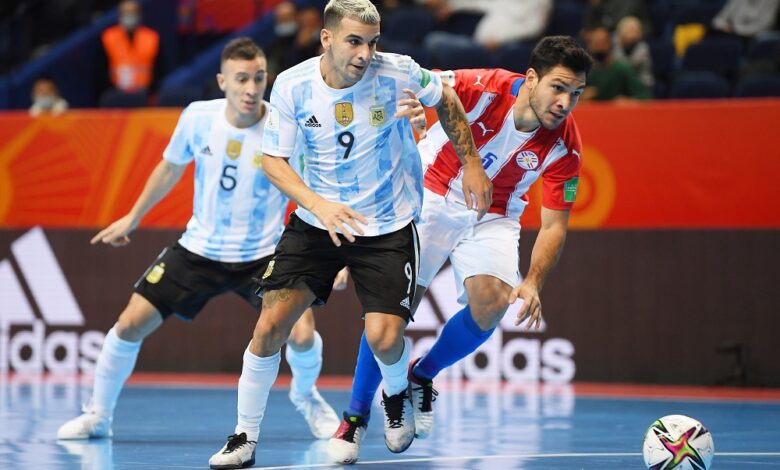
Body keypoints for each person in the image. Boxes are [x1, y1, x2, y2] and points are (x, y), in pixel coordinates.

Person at [207, 0, 491, 468]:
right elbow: (273, 161)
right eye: (354, 41)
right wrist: (318, 205)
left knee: (384, 338)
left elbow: (448, 97)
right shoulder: (293, 86)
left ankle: (396, 394)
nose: (364, 52)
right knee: (269, 327)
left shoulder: (398, 71)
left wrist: (473, 163)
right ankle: (244, 437)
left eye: (372, 42)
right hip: (319, 221)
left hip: (387, 222)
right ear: (327, 39)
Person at [57, 37, 340, 443]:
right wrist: (133, 217)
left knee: (302, 334)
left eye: (259, 78)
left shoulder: (282, 125)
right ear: (222, 81)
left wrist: (332, 253)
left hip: (264, 256)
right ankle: (98, 415)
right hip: (199, 250)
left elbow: (311, 188)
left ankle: (306, 396)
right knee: (128, 325)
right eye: (241, 78)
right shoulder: (197, 117)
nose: (250, 88)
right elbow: (169, 169)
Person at [328, 35, 594, 464]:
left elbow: (554, 224)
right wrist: (413, 104)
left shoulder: (566, 145)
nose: (565, 102)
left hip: (495, 214)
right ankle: (355, 418)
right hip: (429, 196)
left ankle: (422, 375)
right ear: (531, 79)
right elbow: (421, 82)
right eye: (558, 87)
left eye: (576, 94)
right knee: (389, 313)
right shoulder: (483, 86)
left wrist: (533, 281)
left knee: (490, 305)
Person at [98, 0, 162, 97]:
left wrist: (151, 92)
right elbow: (101, 69)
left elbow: (159, 68)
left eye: (132, 12)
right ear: (119, 15)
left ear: (139, 14)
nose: (129, 16)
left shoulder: (151, 37)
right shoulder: (108, 37)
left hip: (145, 94)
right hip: (116, 94)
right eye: (126, 13)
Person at [581, 26, 651, 101]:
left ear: (610, 44)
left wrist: (629, 101)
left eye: (603, 43)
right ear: (589, 46)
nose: (600, 47)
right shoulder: (584, 72)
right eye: (596, 44)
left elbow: (645, 97)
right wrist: (581, 97)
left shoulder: (622, 69)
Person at [613, 16, 654, 89]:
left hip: (641, 83)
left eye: (634, 31)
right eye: (627, 31)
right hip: (620, 84)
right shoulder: (615, 47)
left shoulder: (643, 47)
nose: (630, 34)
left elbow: (628, 67)